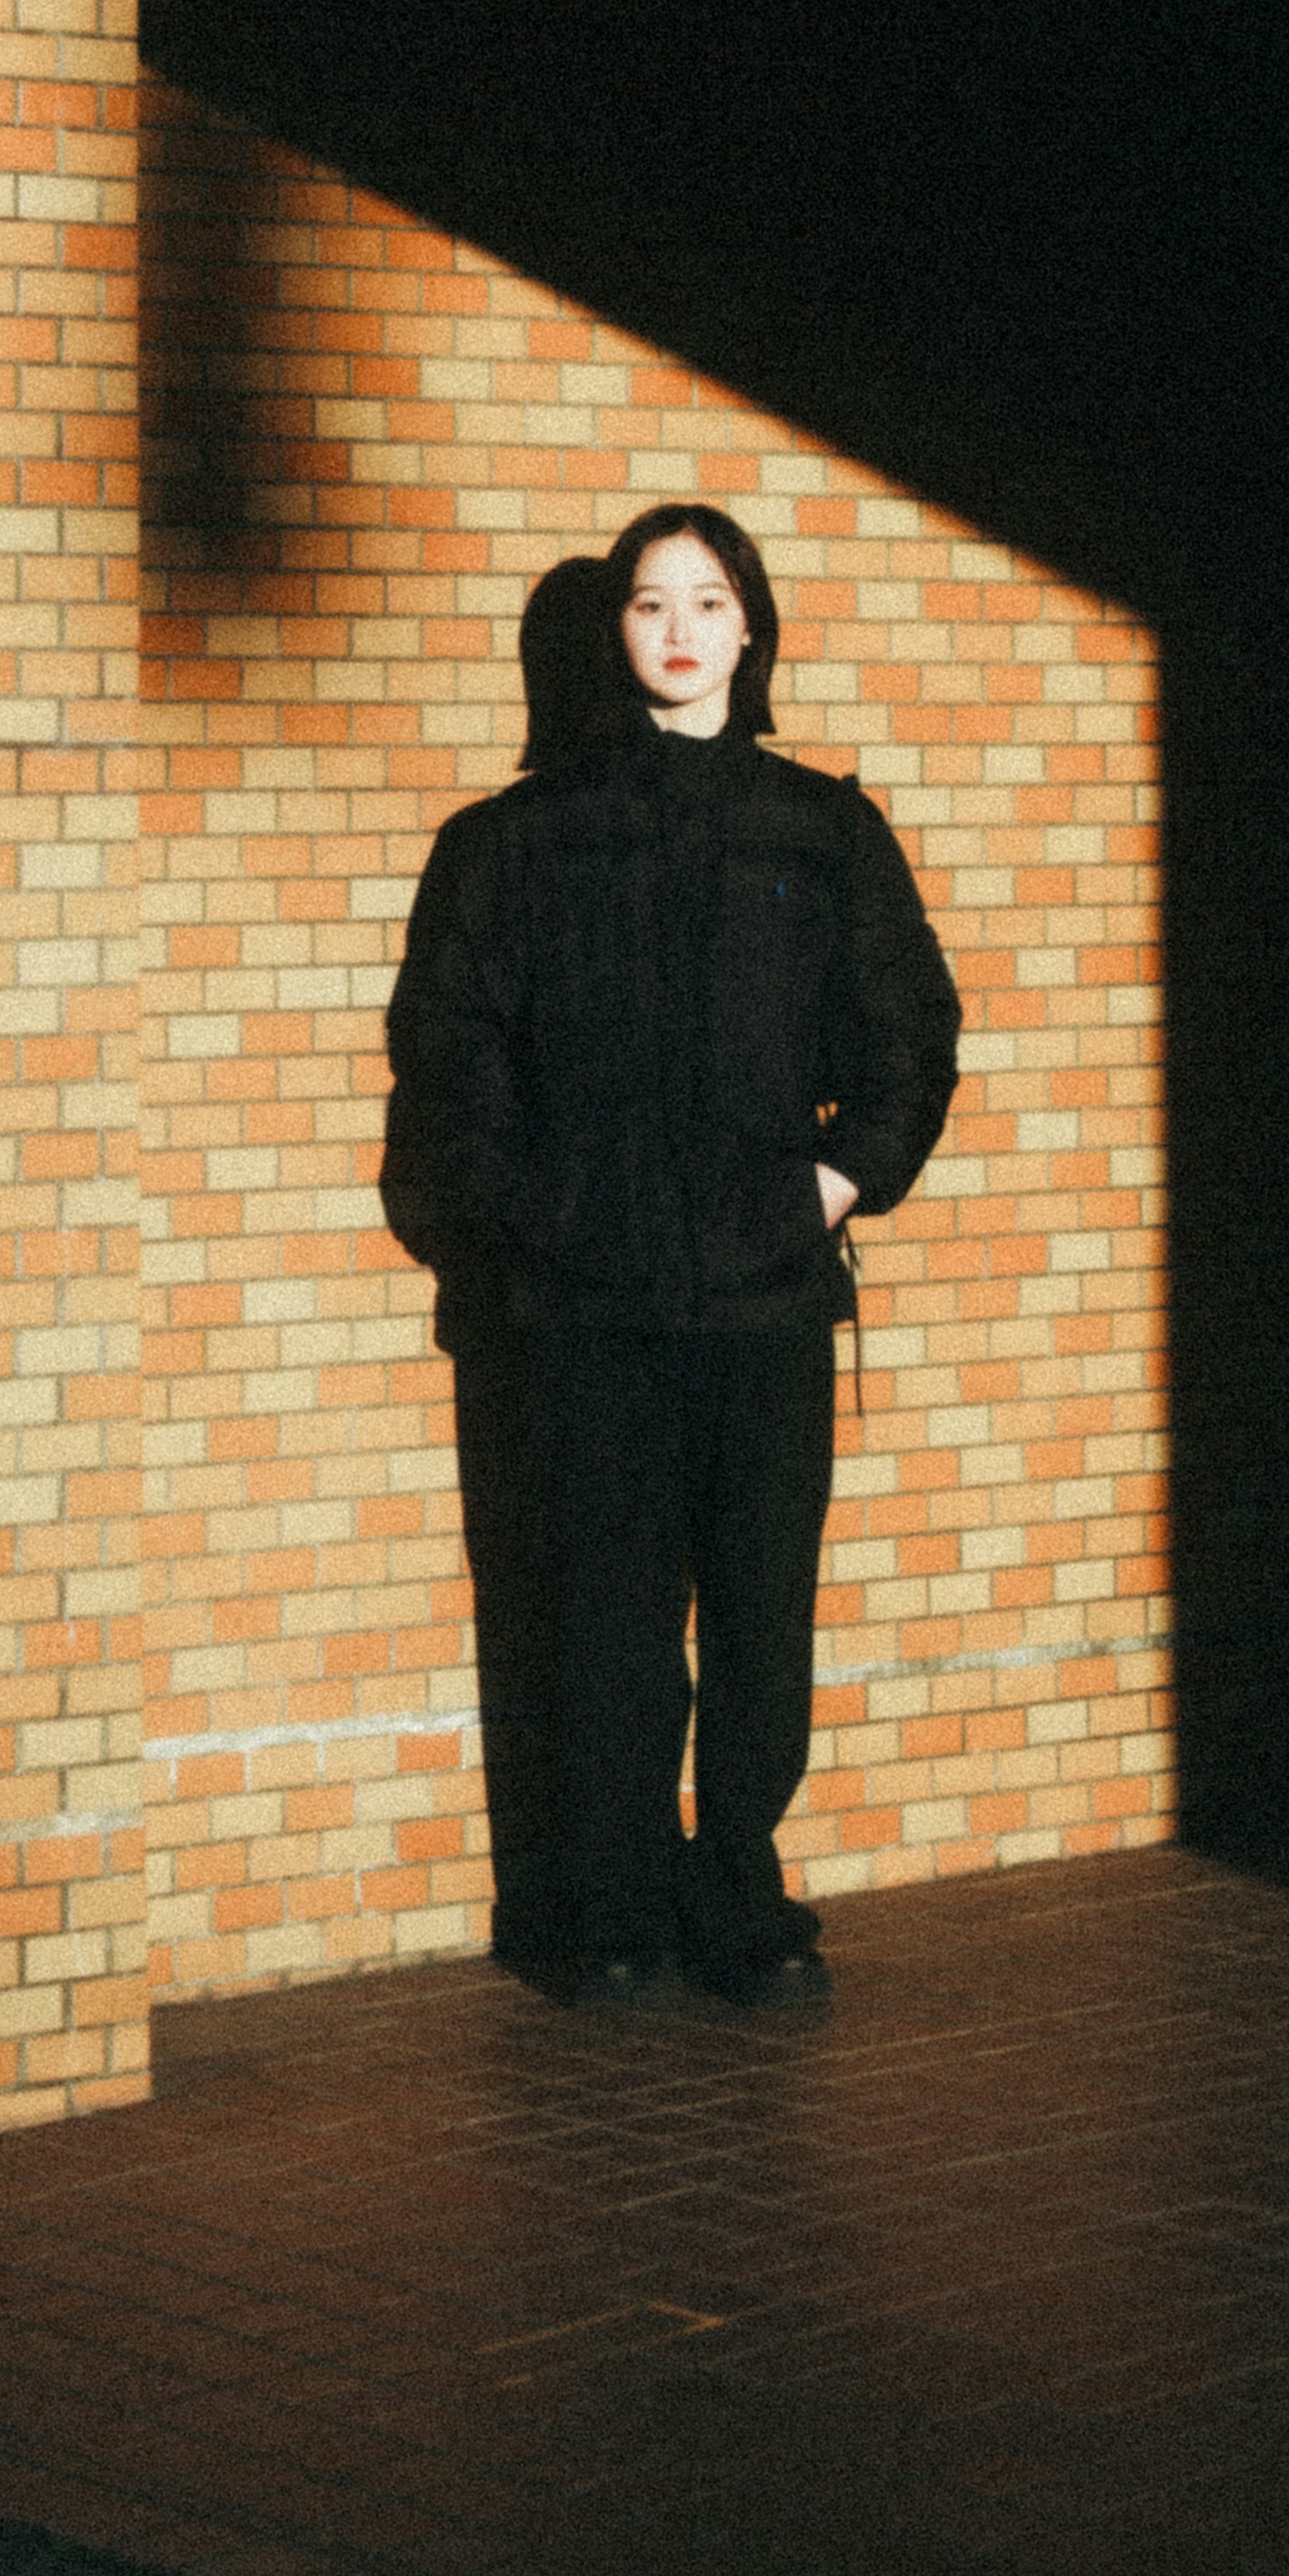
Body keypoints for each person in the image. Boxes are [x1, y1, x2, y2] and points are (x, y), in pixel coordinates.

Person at [381, 502, 961, 2006]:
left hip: (766, 1309)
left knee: (764, 1615)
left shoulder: (821, 831)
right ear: (615, 633)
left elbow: (913, 1041)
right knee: (610, 1623)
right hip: (583, 1313)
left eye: (711, 599)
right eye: (652, 602)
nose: (682, 627)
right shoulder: (516, 842)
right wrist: (541, 1221)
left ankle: (740, 1889)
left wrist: (830, 1189)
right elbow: (450, 1067)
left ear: (752, 628)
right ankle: (618, 1901)